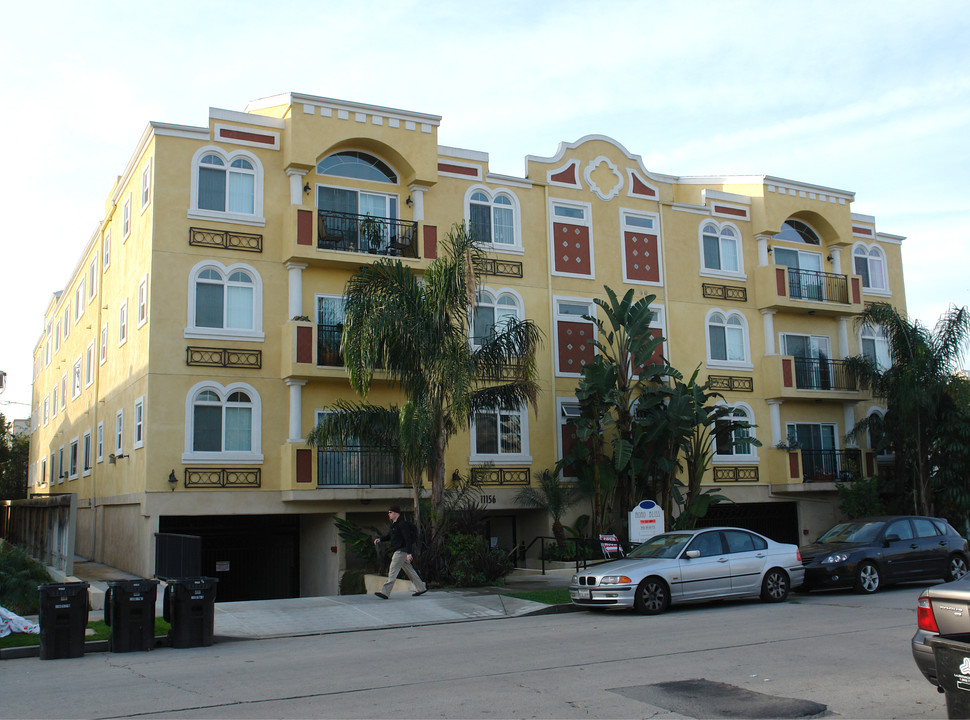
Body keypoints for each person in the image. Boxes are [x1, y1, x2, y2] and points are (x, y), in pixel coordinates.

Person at [374, 505, 427, 599]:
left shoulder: (402, 524)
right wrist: (380, 539)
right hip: (399, 550)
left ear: (396, 513)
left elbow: (407, 539)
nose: (388, 514)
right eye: (388, 512)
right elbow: (389, 536)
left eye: (390, 512)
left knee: (393, 570)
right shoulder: (394, 525)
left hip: (401, 551)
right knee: (410, 570)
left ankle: (385, 592)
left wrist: (409, 553)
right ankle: (421, 588)